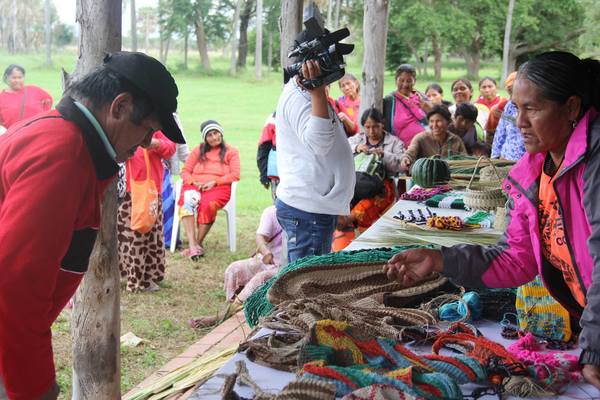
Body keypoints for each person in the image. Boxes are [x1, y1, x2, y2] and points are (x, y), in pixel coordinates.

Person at [384, 51, 600, 390]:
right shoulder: (534, 172)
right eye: (516, 108)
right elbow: (517, 260)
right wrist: (440, 258)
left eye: (533, 109)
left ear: (571, 108)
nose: (519, 121)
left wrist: (595, 348)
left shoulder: (594, 162)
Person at [0, 51, 185, 400]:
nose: (146, 143)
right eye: (147, 130)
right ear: (120, 107)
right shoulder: (62, 154)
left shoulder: (68, 140)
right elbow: (14, 286)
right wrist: (35, 389)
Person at [275, 29, 355, 263]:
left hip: (314, 206)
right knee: (305, 286)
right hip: (308, 210)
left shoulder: (303, 92)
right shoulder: (301, 98)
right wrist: (318, 90)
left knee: (308, 280)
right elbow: (319, 144)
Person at [188, 205, 283, 328]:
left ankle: (222, 316)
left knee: (260, 279)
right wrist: (266, 252)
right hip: (267, 261)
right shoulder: (272, 212)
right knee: (234, 269)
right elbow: (260, 237)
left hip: (284, 267)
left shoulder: (306, 212)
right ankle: (231, 307)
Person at [118, 131, 176, 292]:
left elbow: (170, 148)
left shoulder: (156, 127)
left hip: (149, 190)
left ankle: (146, 276)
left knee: (149, 235)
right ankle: (128, 275)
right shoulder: (125, 122)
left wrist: (155, 143)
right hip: (126, 189)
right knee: (126, 236)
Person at [338, 107, 404, 239]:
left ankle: (349, 219)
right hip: (357, 182)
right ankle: (345, 224)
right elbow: (342, 148)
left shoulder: (394, 142)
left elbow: (400, 165)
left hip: (383, 185)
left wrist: (384, 154)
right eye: (367, 127)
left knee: (375, 197)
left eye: (375, 127)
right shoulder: (358, 139)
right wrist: (357, 148)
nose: (371, 131)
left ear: (382, 125)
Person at [179, 120, 240, 259]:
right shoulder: (198, 150)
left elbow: (235, 175)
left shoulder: (231, 151)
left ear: (221, 133)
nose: (214, 137)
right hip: (195, 185)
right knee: (187, 200)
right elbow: (185, 171)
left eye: (216, 133)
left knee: (208, 205)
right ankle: (193, 246)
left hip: (218, 187)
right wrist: (194, 182)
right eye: (209, 135)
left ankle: (196, 244)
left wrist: (215, 182)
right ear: (205, 138)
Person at [400, 105, 467, 173]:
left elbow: (465, 161)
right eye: (431, 121)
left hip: (450, 180)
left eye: (438, 121)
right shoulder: (420, 138)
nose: (434, 125)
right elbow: (411, 152)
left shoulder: (456, 141)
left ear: (448, 122)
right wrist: (406, 158)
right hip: (424, 180)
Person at [383, 64, 432, 146]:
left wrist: (428, 108)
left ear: (414, 81)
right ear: (396, 80)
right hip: (402, 149)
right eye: (401, 80)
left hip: (427, 145)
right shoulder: (390, 101)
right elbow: (386, 130)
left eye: (409, 81)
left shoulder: (421, 97)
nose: (405, 84)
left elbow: (434, 118)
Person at [0, 64, 53, 133]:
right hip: (14, 135)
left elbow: (48, 100)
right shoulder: (1, 97)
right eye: (14, 78)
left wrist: (43, 115)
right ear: (7, 78)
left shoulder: (34, 90)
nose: (17, 80)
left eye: (20, 77)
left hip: (38, 131)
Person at [491, 73, 526, 161]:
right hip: (507, 157)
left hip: (526, 159)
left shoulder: (533, 104)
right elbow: (500, 132)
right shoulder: (509, 106)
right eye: (510, 92)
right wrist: (495, 156)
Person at [485, 72, 517, 145]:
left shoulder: (532, 106)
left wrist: (505, 117)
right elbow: (490, 134)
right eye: (510, 90)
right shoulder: (500, 107)